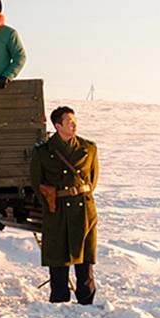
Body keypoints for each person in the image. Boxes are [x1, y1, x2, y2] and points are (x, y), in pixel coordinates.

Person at [30, 106, 99, 305]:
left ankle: (86, 298)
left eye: (74, 120)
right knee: (58, 254)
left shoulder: (89, 148)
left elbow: (92, 181)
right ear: (58, 126)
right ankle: (59, 299)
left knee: (84, 256)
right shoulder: (43, 152)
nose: (74, 124)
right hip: (57, 209)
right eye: (69, 121)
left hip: (83, 209)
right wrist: (53, 202)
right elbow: (37, 182)